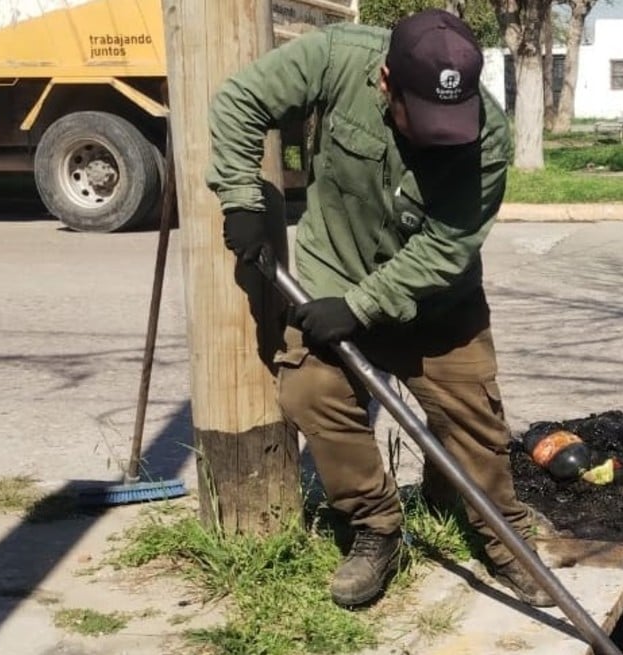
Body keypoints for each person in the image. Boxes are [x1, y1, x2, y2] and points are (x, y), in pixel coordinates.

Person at [205, 9, 554, 608]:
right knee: (309, 393)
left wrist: (363, 307)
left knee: (473, 424)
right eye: (422, 119)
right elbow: (240, 100)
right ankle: (375, 528)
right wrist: (240, 197)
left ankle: (502, 537)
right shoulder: (338, 57)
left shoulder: (488, 138)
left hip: (435, 302)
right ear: (387, 81)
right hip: (330, 276)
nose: (435, 137)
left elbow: (446, 246)